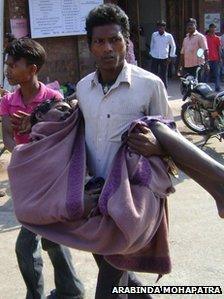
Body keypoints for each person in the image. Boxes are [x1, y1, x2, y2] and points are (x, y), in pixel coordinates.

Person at [76, 4, 172, 298]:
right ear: (90, 45)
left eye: (115, 39)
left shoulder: (149, 85)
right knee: (113, 264)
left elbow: (171, 137)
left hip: (130, 200)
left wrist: (158, 147)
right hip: (96, 199)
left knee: (107, 288)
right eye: (99, 41)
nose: (108, 48)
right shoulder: (83, 88)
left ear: (127, 40)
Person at [0, 38, 84, 299]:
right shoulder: (7, 101)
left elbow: (61, 139)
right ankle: (70, 290)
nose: (7, 70)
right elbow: (8, 138)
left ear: (33, 69)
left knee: (37, 242)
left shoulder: (53, 99)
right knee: (48, 238)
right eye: (7, 64)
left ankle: (55, 293)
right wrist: (22, 153)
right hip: (26, 179)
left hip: (50, 179)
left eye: (14, 65)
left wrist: (34, 147)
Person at [150, 20, 176, 88]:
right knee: (153, 74)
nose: (160, 29)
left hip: (164, 58)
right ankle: (154, 88)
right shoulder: (154, 35)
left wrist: (171, 56)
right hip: (155, 57)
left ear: (164, 27)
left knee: (163, 75)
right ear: (157, 28)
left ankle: (164, 89)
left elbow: (173, 46)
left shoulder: (168, 36)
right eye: (159, 27)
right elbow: (152, 44)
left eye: (162, 27)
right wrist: (151, 53)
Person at [205, 23, 221, 92]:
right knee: (206, 74)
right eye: (212, 28)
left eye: (214, 28)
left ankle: (217, 88)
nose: (213, 29)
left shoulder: (217, 38)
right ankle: (205, 88)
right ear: (209, 28)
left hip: (216, 59)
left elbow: (219, 49)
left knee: (217, 74)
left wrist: (220, 58)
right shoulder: (205, 38)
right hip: (207, 59)